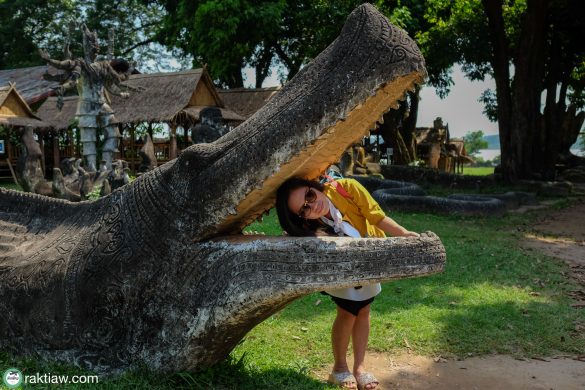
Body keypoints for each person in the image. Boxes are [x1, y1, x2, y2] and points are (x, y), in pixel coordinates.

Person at [276, 177, 419, 390]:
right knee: (348, 311)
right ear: (300, 217)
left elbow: (376, 217)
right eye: (304, 209)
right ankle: (340, 368)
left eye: (310, 196)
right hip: (337, 268)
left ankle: (360, 367)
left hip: (368, 256)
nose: (313, 205)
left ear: (314, 186)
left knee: (364, 310)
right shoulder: (307, 227)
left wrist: (404, 234)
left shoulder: (347, 188)